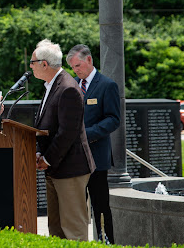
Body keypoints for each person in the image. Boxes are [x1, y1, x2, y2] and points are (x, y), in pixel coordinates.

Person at [32, 39, 96, 241]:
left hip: (70, 170)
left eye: (32, 62)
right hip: (55, 168)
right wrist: (40, 153)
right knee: (57, 230)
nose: (30, 66)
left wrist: (47, 159)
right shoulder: (51, 85)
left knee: (73, 231)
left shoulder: (67, 88)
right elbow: (47, 127)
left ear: (44, 64)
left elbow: (67, 133)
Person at [67, 44, 120, 244]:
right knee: (76, 205)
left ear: (89, 60)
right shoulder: (72, 84)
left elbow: (113, 119)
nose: (76, 71)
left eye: (78, 65)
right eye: (73, 67)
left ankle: (105, 240)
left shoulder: (107, 85)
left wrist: (86, 134)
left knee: (100, 205)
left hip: (96, 155)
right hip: (74, 157)